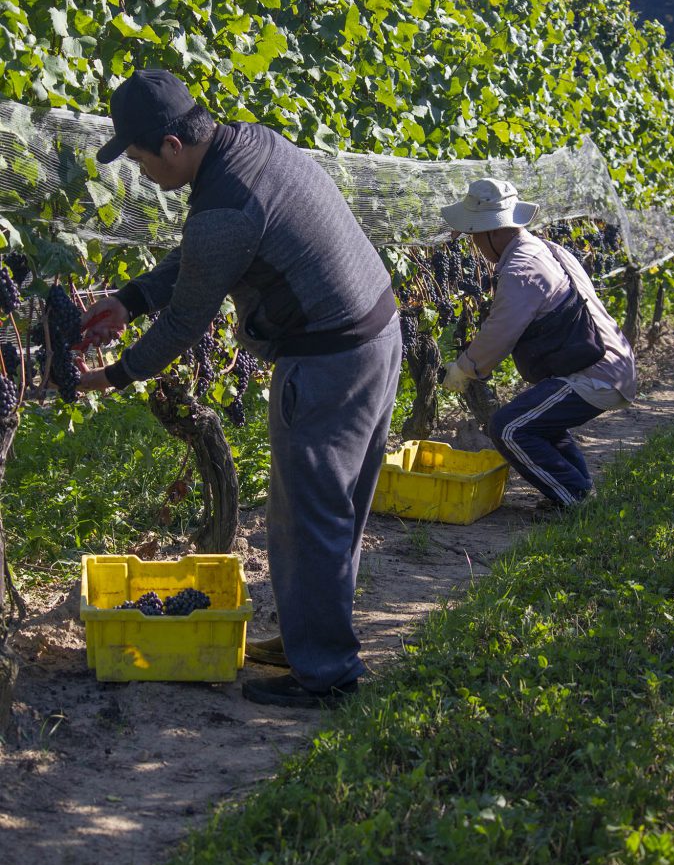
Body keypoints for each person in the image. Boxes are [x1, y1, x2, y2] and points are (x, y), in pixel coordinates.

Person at [78, 69, 402, 708]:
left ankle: (327, 677)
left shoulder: (223, 207)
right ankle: (316, 639)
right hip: (374, 334)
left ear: (173, 145)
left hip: (328, 363)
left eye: (142, 159)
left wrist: (112, 375)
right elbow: (204, 256)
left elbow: (186, 320)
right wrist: (130, 298)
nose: (143, 174)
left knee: (308, 520)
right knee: (332, 513)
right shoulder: (250, 143)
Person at [440, 178, 636, 508]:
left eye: (474, 235)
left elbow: (500, 332)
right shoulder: (543, 249)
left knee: (508, 428)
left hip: (595, 374)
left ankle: (572, 500)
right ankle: (581, 490)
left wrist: (463, 369)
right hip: (609, 363)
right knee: (536, 422)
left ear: (494, 231)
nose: (475, 245)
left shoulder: (521, 269)